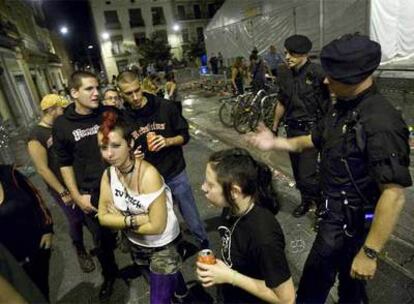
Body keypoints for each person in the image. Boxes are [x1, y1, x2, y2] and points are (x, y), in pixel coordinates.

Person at [246, 33, 412, 303]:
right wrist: (275, 142)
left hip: (354, 225)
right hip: (332, 217)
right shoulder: (343, 108)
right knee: (328, 288)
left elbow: (394, 195)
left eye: (332, 76)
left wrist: (370, 253)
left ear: (354, 77)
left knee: (336, 289)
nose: (325, 80)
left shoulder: (381, 121)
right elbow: (313, 139)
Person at [97, 111, 189, 303]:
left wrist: (120, 220)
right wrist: (135, 219)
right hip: (136, 242)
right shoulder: (108, 174)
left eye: (115, 145)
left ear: (130, 144)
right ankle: (183, 292)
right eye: (103, 147)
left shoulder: (149, 175)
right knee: (162, 282)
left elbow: (157, 226)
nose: (109, 154)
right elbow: (103, 217)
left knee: (158, 300)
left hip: (162, 244)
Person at [117, 71, 210, 250]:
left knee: (191, 215)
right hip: (149, 179)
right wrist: (132, 157)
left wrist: (168, 141)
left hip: (175, 171)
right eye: (129, 94)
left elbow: (184, 135)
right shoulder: (124, 118)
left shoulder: (165, 107)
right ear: (121, 93)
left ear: (142, 85)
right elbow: (123, 148)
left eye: (137, 90)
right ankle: (177, 249)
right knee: (164, 220)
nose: (135, 97)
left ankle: (204, 246)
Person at [52, 71, 119, 301]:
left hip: (120, 184)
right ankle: (110, 275)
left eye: (97, 87)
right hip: (91, 194)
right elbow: (64, 164)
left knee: (136, 226)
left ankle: (146, 265)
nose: (96, 93)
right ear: (74, 93)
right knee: (102, 240)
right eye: (89, 89)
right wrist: (77, 196)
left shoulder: (107, 113)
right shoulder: (62, 125)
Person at [197, 148, 295, 304]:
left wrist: (231, 277)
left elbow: (287, 299)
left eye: (210, 184)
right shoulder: (232, 206)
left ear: (235, 191)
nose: (203, 187)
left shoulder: (264, 236)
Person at [27, 94, 95, 274]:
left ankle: (103, 242)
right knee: (75, 219)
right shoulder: (36, 136)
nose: (64, 111)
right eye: (61, 108)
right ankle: (80, 249)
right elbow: (42, 169)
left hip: (75, 179)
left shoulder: (60, 126)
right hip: (60, 186)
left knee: (90, 212)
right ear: (51, 110)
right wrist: (62, 191)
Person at [271, 34, 330, 218]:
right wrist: (274, 127)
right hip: (292, 130)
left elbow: (330, 103)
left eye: (293, 54)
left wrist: (328, 131)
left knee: (307, 175)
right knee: (298, 173)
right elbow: (281, 101)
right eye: (286, 53)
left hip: (311, 131)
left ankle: (321, 203)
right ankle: (306, 201)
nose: (288, 57)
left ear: (305, 55)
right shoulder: (283, 73)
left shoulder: (318, 73)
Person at [0, 165, 53, 300]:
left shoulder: (10, 173)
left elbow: (36, 199)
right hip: (8, 264)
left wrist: (47, 229)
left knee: (41, 293)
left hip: (36, 248)